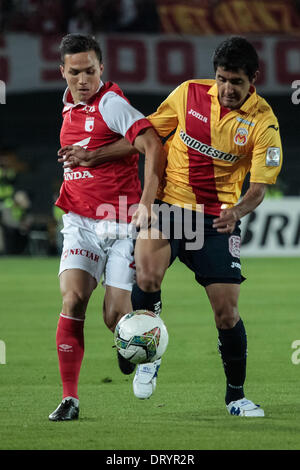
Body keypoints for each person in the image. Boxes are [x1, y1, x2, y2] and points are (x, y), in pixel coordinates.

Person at [61, 36, 283, 417]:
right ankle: (150, 353)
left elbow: (259, 188)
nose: (227, 89)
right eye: (221, 79)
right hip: (169, 206)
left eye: (236, 82)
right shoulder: (188, 94)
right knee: (146, 276)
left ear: (254, 80)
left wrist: (237, 212)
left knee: (226, 313)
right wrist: (94, 156)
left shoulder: (264, 123)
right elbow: (145, 138)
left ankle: (236, 396)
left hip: (216, 217)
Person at [48, 33, 165, 421]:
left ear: (102, 68)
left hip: (119, 222)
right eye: (75, 72)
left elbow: (150, 143)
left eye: (91, 71)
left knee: (115, 318)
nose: (83, 80)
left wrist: (146, 204)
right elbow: (95, 155)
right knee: (72, 300)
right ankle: (70, 399)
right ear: (62, 71)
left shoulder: (112, 103)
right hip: (79, 222)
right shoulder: (68, 106)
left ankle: (139, 346)